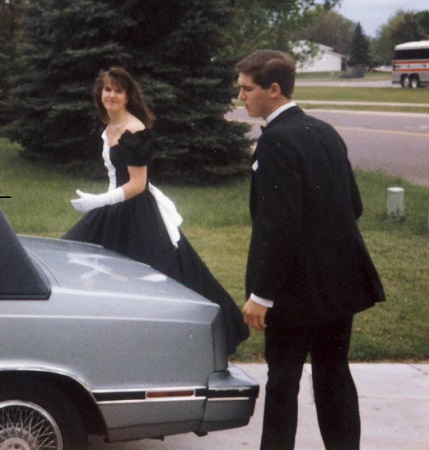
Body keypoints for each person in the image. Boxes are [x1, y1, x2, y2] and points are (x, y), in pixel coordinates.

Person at [236, 50, 385, 450]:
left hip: (293, 291)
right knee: (334, 375)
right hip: (338, 285)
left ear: (273, 89)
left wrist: (261, 295)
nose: (241, 97)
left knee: (282, 385)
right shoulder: (325, 131)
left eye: (247, 89)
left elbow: (279, 226)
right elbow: (353, 205)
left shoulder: (275, 141)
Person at [62, 67, 248, 355]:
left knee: (155, 276)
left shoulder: (134, 130)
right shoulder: (109, 127)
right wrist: (103, 203)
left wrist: (99, 201)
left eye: (118, 91)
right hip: (114, 206)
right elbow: (116, 176)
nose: (111, 95)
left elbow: (138, 184)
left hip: (135, 210)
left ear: (128, 96)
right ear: (100, 93)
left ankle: (197, 338)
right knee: (78, 260)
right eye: (108, 89)